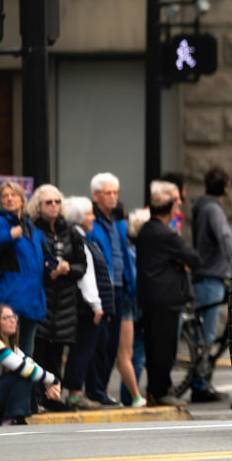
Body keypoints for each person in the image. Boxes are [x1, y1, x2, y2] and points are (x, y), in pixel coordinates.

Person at [135, 181, 202, 406]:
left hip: (149, 298)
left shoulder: (145, 231)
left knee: (153, 347)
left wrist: (175, 261)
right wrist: (179, 263)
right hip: (167, 299)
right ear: (170, 210)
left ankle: (154, 391)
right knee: (164, 349)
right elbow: (193, 257)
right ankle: (162, 391)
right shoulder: (167, 234)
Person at [86, 172, 143, 408]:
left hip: (121, 287)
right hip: (102, 288)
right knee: (101, 341)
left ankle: (102, 390)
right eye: (108, 193)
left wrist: (130, 284)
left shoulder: (118, 221)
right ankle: (95, 390)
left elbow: (123, 256)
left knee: (112, 346)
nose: (113, 197)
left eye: (115, 193)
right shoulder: (92, 221)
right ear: (96, 195)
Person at [28, 184, 88, 400]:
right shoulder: (33, 229)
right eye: (48, 202)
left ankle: (54, 396)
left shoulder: (70, 230)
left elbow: (82, 265)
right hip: (42, 298)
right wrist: (48, 269)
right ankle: (36, 396)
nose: (54, 206)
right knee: (38, 351)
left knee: (56, 355)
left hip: (65, 303)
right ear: (38, 206)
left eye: (57, 202)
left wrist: (68, 268)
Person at [0, 181, 47, 357]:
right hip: (10, 300)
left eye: (13, 195)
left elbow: (46, 256)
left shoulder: (31, 227)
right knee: (8, 355)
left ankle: (23, 386)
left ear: (22, 200)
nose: (9, 199)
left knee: (26, 355)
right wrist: (9, 235)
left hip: (32, 300)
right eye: (4, 196)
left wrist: (55, 266)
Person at [188, 166, 232, 403]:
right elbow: (225, 239)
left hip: (205, 276)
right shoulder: (213, 210)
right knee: (207, 335)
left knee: (205, 334)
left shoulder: (202, 207)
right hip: (210, 278)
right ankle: (200, 384)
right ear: (225, 188)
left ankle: (201, 381)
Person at [60, 196, 105, 410]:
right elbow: (86, 277)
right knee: (82, 349)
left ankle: (74, 391)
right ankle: (75, 393)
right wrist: (96, 305)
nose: (93, 217)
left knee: (81, 349)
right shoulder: (80, 240)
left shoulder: (79, 237)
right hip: (84, 306)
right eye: (89, 214)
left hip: (79, 304)